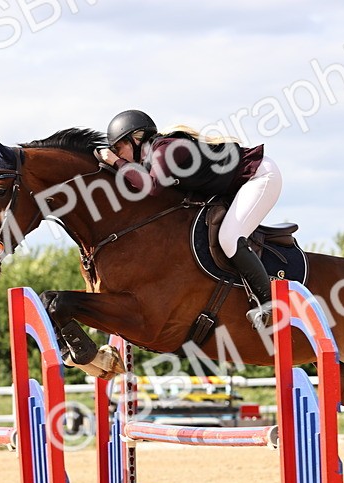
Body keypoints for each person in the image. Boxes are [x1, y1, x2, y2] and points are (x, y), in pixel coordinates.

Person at [96, 109, 281, 331]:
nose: (119, 154)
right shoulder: (155, 155)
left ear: (136, 139)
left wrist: (116, 162)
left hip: (260, 177)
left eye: (119, 148)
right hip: (236, 185)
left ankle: (270, 304)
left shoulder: (164, 150)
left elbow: (152, 187)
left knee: (229, 237)